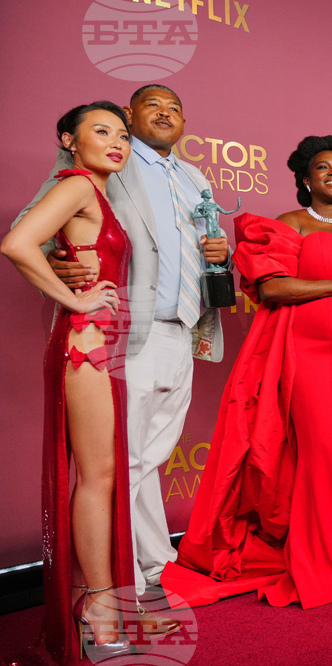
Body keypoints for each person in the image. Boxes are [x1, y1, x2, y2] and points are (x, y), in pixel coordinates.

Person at [161, 135, 332, 608]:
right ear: (305, 179)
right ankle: (323, 562)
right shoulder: (290, 224)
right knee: (324, 459)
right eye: (323, 167)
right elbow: (273, 288)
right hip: (313, 358)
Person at [13, 84, 222, 633]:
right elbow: (29, 235)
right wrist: (65, 277)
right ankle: (117, 596)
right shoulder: (93, 173)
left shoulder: (195, 178)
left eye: (176, 107)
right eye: (151, 106)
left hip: (183, 328)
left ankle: (139, 578)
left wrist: (218, 253)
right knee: (111, 470)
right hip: (119, 333)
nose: (165, 114)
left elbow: (199, 247)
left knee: (142, 462)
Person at [3, 102, 134, 662]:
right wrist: (75, 299)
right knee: (97, 477)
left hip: (98, 347)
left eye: (123, 135)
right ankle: (98, 607)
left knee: (99, 476)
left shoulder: (95, 193)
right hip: (85, 345)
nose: (117, 142)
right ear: (69, 140)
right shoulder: (77, 184)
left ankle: (90, 597)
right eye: (101, 131)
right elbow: (16, 243)